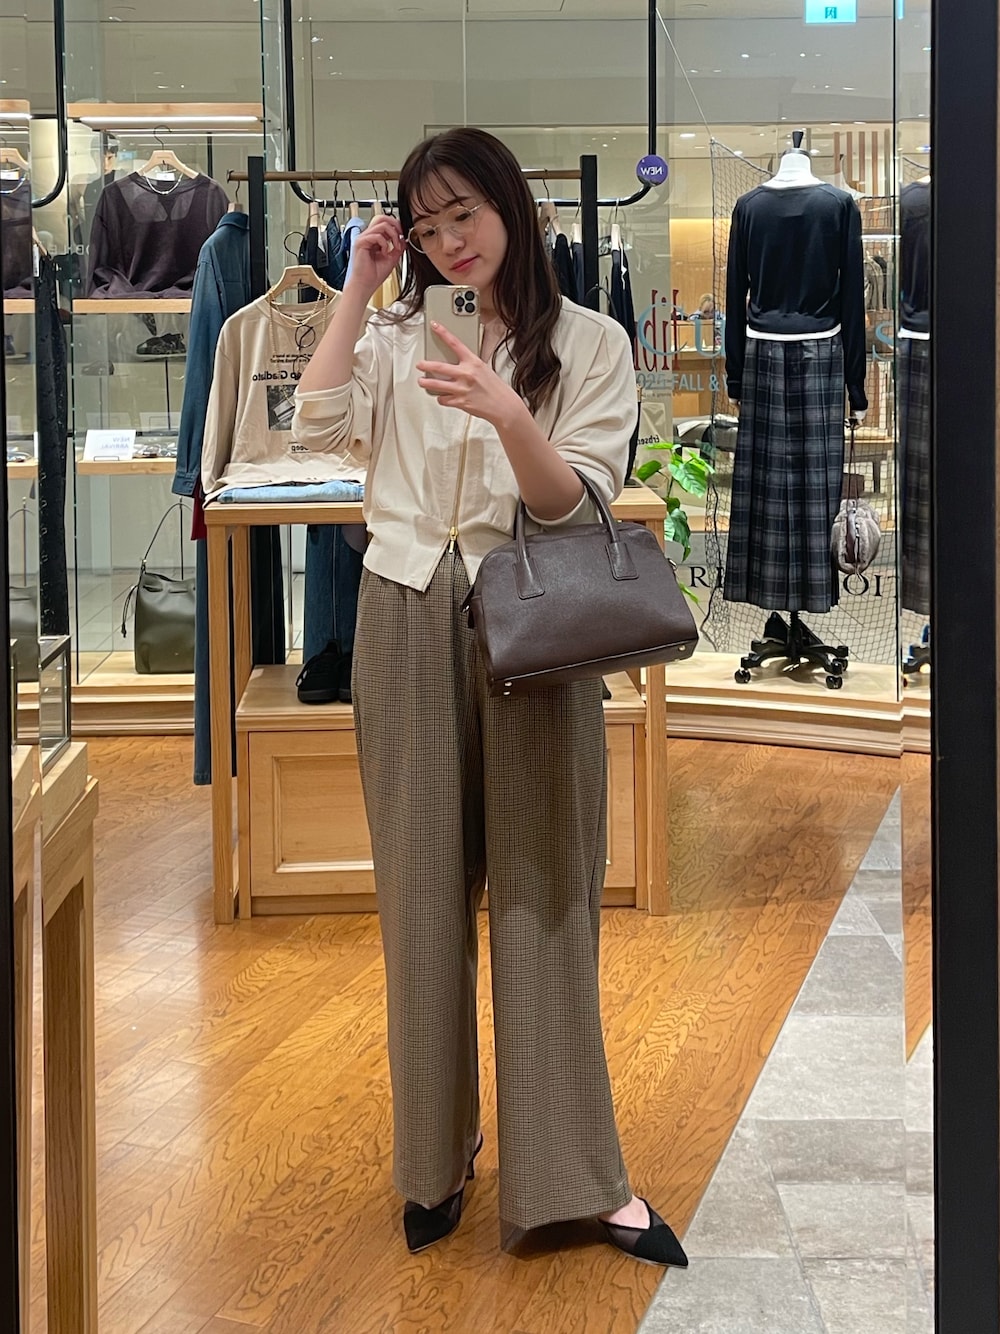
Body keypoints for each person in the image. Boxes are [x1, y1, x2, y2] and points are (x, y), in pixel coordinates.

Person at [293, 126, 687, 1268]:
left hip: (536, 614)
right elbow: (313, 425)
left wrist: (507, 410)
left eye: (463, 213)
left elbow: (576, 506)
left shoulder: (592, 342)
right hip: (404, 606)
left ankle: (574, 1173)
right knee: (420, 899)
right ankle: (438, 1153)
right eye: (425, 227)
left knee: (546, 894)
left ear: (513, 207)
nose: (447, 241)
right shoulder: (396, 331)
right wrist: (360, 288)